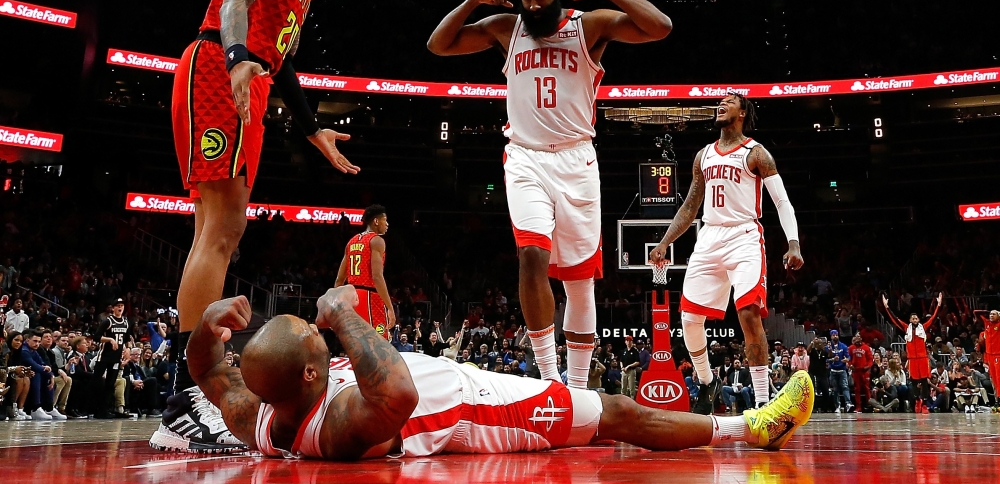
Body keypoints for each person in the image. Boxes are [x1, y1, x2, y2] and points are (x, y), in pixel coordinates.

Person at [156, 0, 372, 454]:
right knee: (221, 229)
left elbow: (285, 60)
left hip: (249, 77)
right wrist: (234, 59)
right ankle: (187, 397)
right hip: (218, 68)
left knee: (220, 229)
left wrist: (312, 129)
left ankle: (187, 392)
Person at [186, 290, 814, 461]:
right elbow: (399, 392)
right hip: (481, 410)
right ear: (309, 374)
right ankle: (748, 429)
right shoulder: (335, 426)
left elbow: (214, 374)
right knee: (613, 413)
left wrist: (206, 328)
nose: (316, 328)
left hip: (466, 385)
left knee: (607, 413)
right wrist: (344, 315)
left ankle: (743, 426)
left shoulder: (260, 413)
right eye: (312, 336)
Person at [427, 0, 673, 388]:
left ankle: (576, 387)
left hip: (577, 160)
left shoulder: (588, 26)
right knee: (531, 256)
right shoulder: (507, 27)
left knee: (580, 284)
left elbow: (660, 27)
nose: (534, 3)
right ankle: (547, 378)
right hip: (525, 157)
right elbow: (438, 46)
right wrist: (472, 1)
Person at [651, 93, 803, 413]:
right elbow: (690, 207)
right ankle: (707, 382)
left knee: (747, 313)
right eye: (720, 101)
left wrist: (793, 243)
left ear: (742, 113)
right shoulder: (703, 155)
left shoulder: (756, 153)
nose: (721, 103)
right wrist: (665, 242)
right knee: (690, 319)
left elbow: (781, 202)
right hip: (709, 236)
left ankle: (762, 401)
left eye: (729, 101)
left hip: (743, 235)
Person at [334, 205, 395, 340]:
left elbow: (339, 279)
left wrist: (336, 304)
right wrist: (390, 308)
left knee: (357, 342)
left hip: (352, 296)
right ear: (376, 221)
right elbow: (377, 276)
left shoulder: (351, 242)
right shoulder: (377, 240)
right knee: (380, 344)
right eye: (385, 220)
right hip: (369, 296)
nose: (387, 224)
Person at [881, 292, 942, 412]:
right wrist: (887, 307)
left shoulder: (923, 328)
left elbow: (933, 317)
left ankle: (924, 403)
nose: (915, 320)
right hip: (912, 359)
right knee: (913, 381)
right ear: (910, 320)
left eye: (916, 318)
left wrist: (939, 305)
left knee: (924, 381)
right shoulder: (906, 328)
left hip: (923, 358)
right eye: (913, 318)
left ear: (919, 319)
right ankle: (917, 402)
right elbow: (894, 319)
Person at [92, 297, 132, 419]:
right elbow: (96, 337)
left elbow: (127, 339)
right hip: (103, 357)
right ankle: (94, 409)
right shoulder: (107, 321)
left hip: (116, 358)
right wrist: (110, 339)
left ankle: (105, 410)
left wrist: (128, 349)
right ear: (113, 308)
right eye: (118, 305)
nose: (120, 307)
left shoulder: (126, 322)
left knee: (110, 384)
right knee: (97, 382)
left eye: (122, 305)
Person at [974, 309, 1000, 397]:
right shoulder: (987, 323)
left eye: (994, 314)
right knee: (993, 378)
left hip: (998, 354)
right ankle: (998, 399)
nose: (991, 315)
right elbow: (975, 312)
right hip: (989, 355)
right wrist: (985, 311)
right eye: (990, 314)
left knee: (998, 377)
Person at [826, 330, 852, 413]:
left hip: (842, 370)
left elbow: (848, 357)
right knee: (835, 389)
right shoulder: (828, 347)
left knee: (845, 387)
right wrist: (832, 359)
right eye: (833, 335)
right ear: (831, 337)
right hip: (833, 370)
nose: (835, 336)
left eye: (836, 335)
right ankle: (838, 406)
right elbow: (826, 359)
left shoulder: (843, 346)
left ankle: (848, 403)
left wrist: (846, 360)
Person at [847, 334, 873, 413]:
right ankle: (858, 407)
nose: (856, 338)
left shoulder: (866, 348)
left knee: (867, 389)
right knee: (856, 389)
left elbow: (870, 359)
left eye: (858, 336)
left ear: (861, 338)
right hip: (856, 371)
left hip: (864, 371)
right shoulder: (851, 348)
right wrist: (850, 365)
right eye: (855, 337)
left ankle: (869, 406)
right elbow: (848, 358)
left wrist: (868, 366)